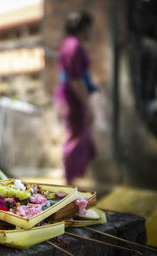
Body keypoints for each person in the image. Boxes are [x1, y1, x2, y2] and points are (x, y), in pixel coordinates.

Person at [55, 11, 98, 185]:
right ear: (82, 28)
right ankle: (69, 181)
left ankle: (72, 178)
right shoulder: (73, 45)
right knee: (76, 137)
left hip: (72, 97)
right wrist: (87, 106)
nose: (91, 33)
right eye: (89, 28)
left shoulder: (69, 44)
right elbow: (75, 79)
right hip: (74, 98)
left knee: (80, 136)